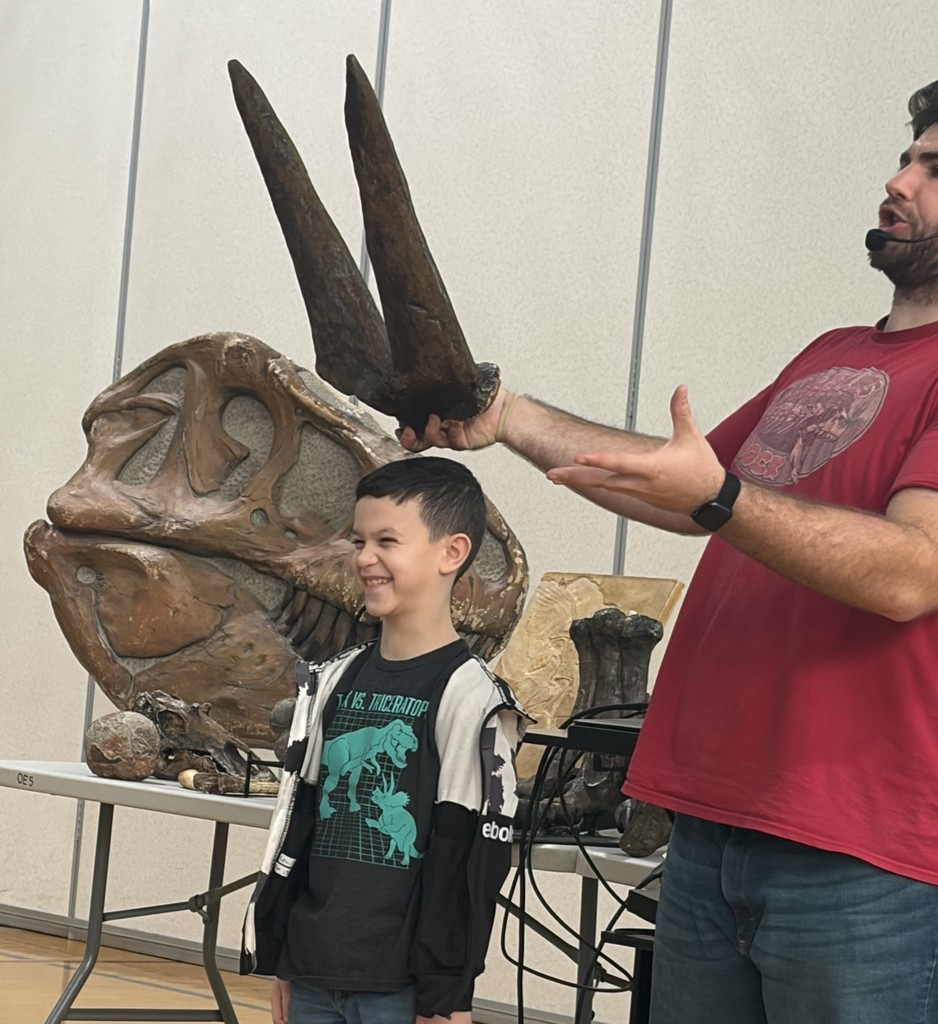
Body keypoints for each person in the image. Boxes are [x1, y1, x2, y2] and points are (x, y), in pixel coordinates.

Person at [398, 80, 938, 1024]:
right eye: (907, 156)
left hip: (866, 855)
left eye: (934, 168)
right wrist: (503, 416)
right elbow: (681, 487)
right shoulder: (832, 353)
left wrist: (722, 496)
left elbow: (908, 574)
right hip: (710, 827)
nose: (898, 180)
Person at [241, 457, 527, 1024]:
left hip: (403, 993)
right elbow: (300, 821)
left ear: (452, 552)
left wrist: (448, 995)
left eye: (387, 541)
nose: (365, 558)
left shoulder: (473, 699)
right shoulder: (333, 680)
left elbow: (470, 860)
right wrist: (282, 956)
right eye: (359, 540)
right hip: (313, 973)